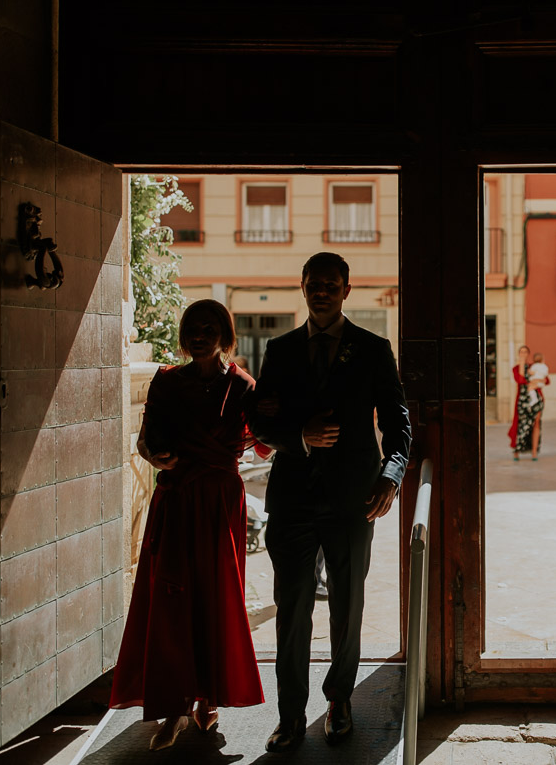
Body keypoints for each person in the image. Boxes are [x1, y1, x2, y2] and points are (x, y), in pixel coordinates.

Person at [252, 252, 411, 752]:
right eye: (313, 283)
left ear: (346, 289)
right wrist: (299, 434)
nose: (321, 291)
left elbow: (398, 423)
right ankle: (290, 717)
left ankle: (339, 700)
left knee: (347, 605)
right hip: (293, 501)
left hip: (352, 500)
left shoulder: (372, 349)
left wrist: (391, 475)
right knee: (292, 610)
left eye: (330, 284)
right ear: (302, 288)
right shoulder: (279, 351)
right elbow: (260, 424)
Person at [108, 299, 265, 751]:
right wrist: (151, 454)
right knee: (170, 599)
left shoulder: (243, 387)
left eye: (208, 328)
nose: (198, 335)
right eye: (191, 328)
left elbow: (263, 442)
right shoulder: (166, 382)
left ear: (223, 334)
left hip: (218, 502)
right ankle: (174, 706)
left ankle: (208, 699)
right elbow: (144, 438)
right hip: (175, 502)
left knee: (215, 598)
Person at [507, 345, 548, 461]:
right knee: (520, 424)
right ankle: (517, 451)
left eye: (525, 352)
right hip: (522, 400)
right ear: (519, 354)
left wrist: (538, 381)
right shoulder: (516, 368)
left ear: (528, 353)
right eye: (521, 352)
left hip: (536, 399)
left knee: (536, 424)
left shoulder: (534, 367)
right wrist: (522, 363)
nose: (523, 354)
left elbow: (546, 379)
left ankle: (534, 451)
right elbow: (520, 380)